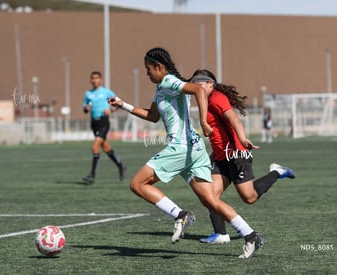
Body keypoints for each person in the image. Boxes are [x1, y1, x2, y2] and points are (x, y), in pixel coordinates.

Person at [109, 47, 265, 258]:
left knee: (137, 184)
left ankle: (180, 215)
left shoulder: (168, 81)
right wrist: (123, 105)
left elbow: (199, 90)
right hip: (194, 149)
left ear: (159, 67)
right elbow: (153, 115)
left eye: (148, 69)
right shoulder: (161, 88)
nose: (147, 74)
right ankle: (251, 236)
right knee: (211, 201)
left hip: (180, 148)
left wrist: (202, 120)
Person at [190, 69, 295, 244]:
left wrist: (242, 138)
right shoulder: (204, 101)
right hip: (219, 157)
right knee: (209, 196)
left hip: (235, 154)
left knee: (249, 197)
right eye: (194, 85)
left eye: (199, 84)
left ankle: (277, 171)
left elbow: (233, 118)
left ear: (210, 84)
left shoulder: (216, 97)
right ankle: (221, 234)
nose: (196, 88)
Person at [82, 70, 126, 184]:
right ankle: (121, 165)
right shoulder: (88, 94)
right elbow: (85, 109)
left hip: (104, 122)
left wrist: (112, 109)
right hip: (94, 123)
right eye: (93, 78)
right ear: (90, 80)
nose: (94, 80)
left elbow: (118, 103)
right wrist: (86, 108)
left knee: (95, 146)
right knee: (106, 148)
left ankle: (92, 175)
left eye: (97, 78)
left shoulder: (106, 92)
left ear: (100, 80)